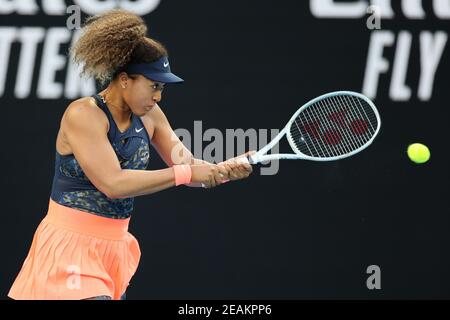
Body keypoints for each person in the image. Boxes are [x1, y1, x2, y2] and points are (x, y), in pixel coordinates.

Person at [8, 9, 253, 300]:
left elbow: (186, 164)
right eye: (153, 86)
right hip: (69, 249)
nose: (158, 96)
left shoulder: (151, 115)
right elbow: (113, 183)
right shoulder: (83, 114)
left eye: (161, 88)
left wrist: (223, 170)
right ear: (125, 79)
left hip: (113, 249)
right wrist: (185, 173)